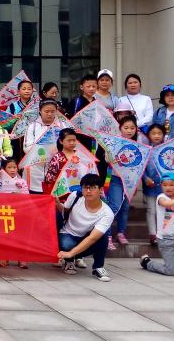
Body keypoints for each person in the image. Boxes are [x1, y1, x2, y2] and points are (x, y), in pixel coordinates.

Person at [57, 173, 114, 282]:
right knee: (66, 244)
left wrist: (71, 253)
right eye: (85, 187)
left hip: (86, 238)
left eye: (92, 188)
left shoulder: (107, 213)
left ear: (101, 190)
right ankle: (69, 261)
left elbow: (92, 238)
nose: (88, 191)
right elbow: (64, 211)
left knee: (102, 237)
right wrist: (57, 204)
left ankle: (98, 267)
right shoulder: (75, 196)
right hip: (68, 233)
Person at [103, 116, 139, 250]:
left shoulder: (139, 145)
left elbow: (139, 166)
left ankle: (120, 233)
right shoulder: (114, 142)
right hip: (116, 178)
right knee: (114, 206)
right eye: (126, 128)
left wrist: (136, 183)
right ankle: (107, 236)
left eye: (132, 128)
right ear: (120, 128)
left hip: (130, 181)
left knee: (125, 207)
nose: (129, 130)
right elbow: (107, 159)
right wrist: (113, 157)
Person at [23, 99, 60, 193]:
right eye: (46, 111)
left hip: (56, 166)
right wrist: (45, 149)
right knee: (35, 193)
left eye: (52, 111)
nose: (49, 114)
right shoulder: (33, 127)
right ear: (40, 111)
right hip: (35, 168)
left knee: (54, 192)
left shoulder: (62, 126)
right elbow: (27, 148)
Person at [142, 124, 166, 245]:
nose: (156, 136)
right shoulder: (146, 150)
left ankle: (161, 233)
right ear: (149, 136)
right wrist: (146, 178)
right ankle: (153, 234)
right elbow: (141, 167)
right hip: (149, 184)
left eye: (159, 133)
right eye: (153, 133)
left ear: (163, 135)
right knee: (151, 209)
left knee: (162, 209)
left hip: (164, 185)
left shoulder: (167, 149)